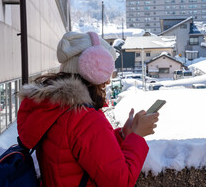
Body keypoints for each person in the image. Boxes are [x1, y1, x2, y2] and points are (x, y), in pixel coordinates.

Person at [17, 31, 159, 187]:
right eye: (105, 69)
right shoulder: (84, 118)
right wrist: (137, 137)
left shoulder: (55, 109)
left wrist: (124, 135)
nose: (108, 79)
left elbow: (86, 151)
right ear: (92, 69)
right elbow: (120, 182)